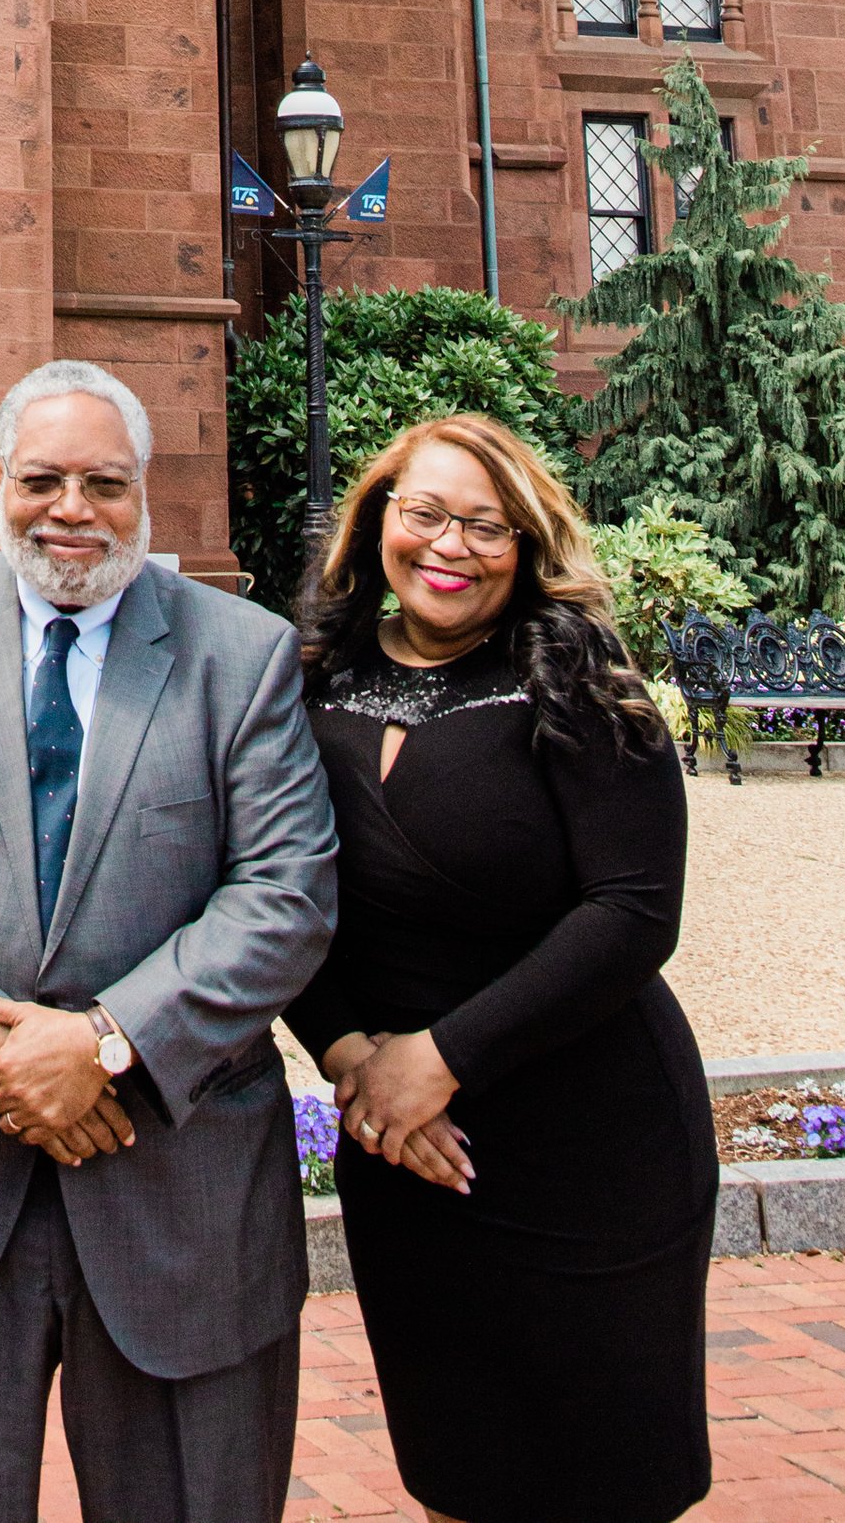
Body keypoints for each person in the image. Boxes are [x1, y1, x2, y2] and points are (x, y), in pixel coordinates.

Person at [0, 357, 338, 1523]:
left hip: (181, 1198)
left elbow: (285, 891)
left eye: (104, 482)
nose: (71, 510)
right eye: (43, 478)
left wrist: (102, 1043)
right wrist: (0, 1055)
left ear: (144, 490)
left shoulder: (238, 653)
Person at [285, 414, 716, 1523]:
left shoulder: (577, 678)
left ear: (526, 547)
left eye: (486, 526)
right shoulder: (306, 681)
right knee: (457, 1464)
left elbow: (631, 912)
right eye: (423, 513)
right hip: (405, 1145)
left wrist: (441, 1058)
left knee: (596, 1475)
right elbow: (265, 897)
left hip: (584, 1132)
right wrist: (353, 1057)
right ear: (376, 520)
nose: (449, 546)